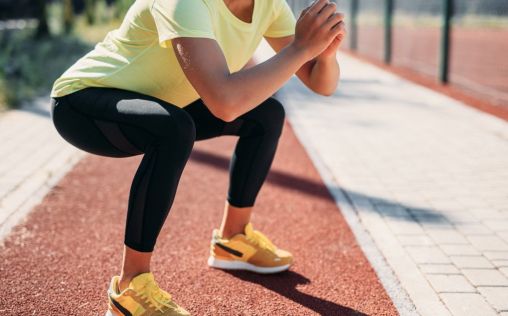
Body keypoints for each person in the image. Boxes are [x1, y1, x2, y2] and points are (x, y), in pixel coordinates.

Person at [50, 0, 345, 314]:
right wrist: (300, 48)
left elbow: (320, 82)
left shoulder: (269, 5)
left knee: (266, 114)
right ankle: (130, 286)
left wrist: (324, 54)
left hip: (160, 101)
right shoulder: (184, 3)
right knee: (174, 129)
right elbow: (225, 102)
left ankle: (233, 239)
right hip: (82, 102)